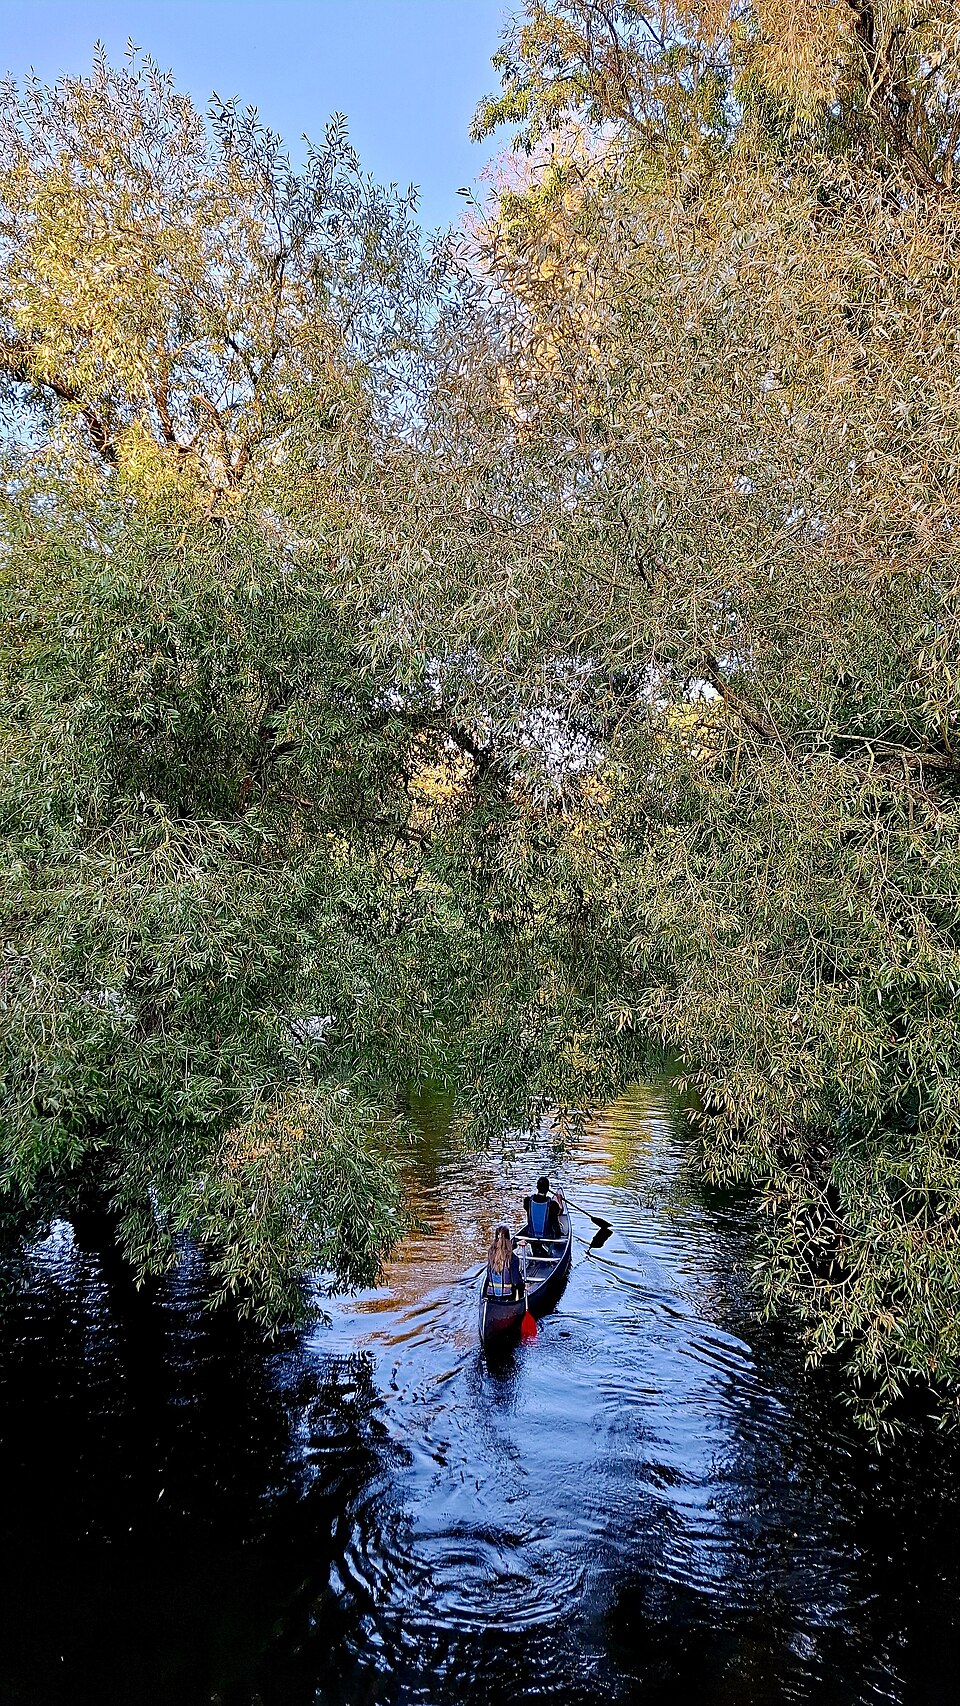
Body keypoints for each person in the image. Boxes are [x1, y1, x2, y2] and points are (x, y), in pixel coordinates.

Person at [484, 1223, 526, 1301]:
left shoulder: (491, 1253)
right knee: (519, 1288)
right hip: (508, 1296)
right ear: (508, 1239)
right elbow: (516, 1282)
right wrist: (524, 1285)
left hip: (491, 1296)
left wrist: (516, 1244)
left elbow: (501, 1248)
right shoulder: (513, 1258)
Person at [522, 1175, 565, 1243]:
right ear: (548, 1189)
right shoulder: (552, 1205)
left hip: (531, 1236)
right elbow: (560, 1212)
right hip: (547, 1237)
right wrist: (559, 1200)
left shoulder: (527, 1201)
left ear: (537, 1187)